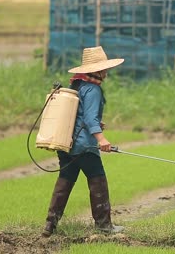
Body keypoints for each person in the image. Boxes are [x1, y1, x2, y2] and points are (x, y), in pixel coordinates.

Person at [42, 46, 125, 237]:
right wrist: (102, 139)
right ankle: (104, 226)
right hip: (84, 147)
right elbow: (88, 119)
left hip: (66, 145)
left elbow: (78, 114)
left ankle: (49, 225)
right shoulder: (93, 89)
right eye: (103, 69)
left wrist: (96, 123)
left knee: (65, 181)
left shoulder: (77, 85)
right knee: (98, 180)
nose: (105, 73)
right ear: (95, 70)